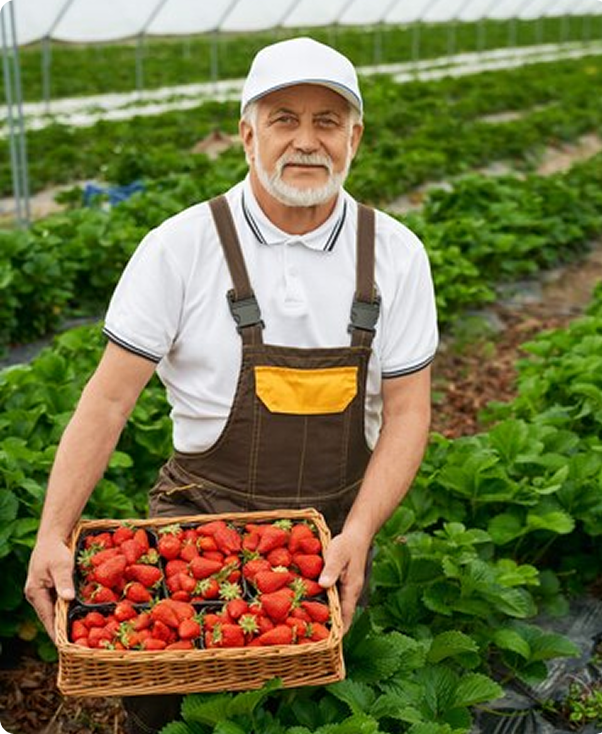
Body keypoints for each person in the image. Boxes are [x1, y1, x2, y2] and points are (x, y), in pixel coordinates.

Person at [25, 36, 438, 733]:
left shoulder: (395, 254)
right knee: (174, 714)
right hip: (197, 528)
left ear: (355, 138)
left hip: (328, 539)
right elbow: (109, 398)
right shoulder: (180, 247)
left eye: (327, 121)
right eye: (284, 119)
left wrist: (361, 533)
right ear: (246, 134)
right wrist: (52, 532)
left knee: (313, 713)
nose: (306, 141)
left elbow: (408, 412)